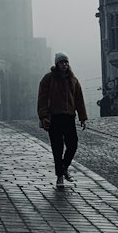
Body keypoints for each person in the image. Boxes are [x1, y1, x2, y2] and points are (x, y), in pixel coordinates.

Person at [37, 52, 87, 187]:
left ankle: (64, 167)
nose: (64, 64)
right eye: (61, 62)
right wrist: (44, 116)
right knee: (57, 148)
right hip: (54, 117)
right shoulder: (49, 78)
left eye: (66, 62)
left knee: (73, 144)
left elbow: (79, 100)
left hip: (69, 117)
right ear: (57, 64)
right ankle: (60, 175)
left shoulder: (73, 80)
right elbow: (42, 98)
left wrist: (83, 117)